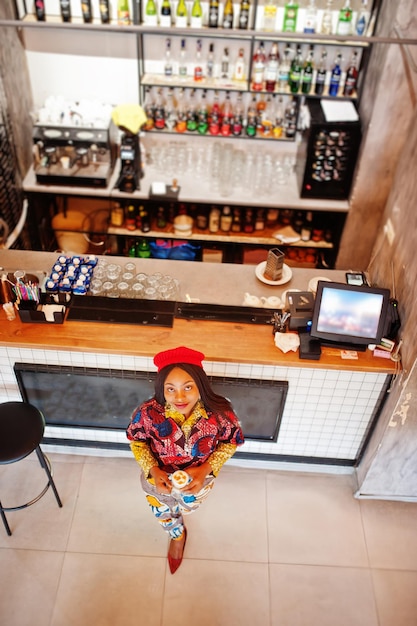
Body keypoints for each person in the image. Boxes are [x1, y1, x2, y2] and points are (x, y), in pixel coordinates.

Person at [126, 345, 244, 574]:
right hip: (156, 483)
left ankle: (182, 519)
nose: (179, 397)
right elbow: (137, 441)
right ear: (162, 389)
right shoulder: (147, 414)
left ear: (201, 386)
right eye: (171, 389)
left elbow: (231, 441)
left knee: (188, 508)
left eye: (188, 387)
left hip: (198, 482)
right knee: (162, 514)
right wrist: (152, 469)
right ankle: (176, 535)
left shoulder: (220, 414)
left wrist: (207, 468)